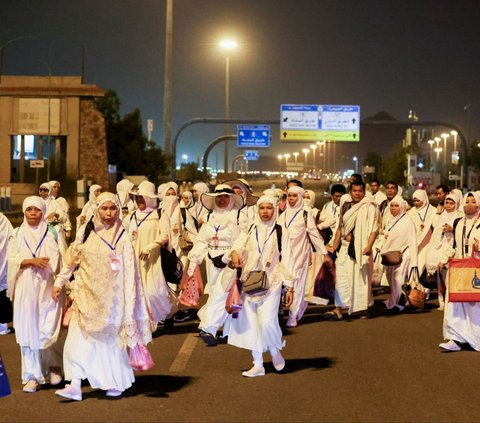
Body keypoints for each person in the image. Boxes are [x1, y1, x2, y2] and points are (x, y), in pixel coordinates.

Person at [52, 192, 152, 401]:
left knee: (109, 347)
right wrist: (59, 282)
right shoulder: (86, 233)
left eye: (113, 208)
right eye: (104, 208)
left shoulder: (123, 238)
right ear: (96, 210)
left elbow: (130, 275)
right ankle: (75, 384)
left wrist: (129, 308)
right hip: (85, 298)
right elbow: (72, 261)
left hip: (112, 303)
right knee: (75, 343)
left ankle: (115, 381)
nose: (108, 213)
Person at [226, 196, 294, 377]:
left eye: (269, 208)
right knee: (252, 323)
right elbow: (236, 246)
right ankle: (258, 364)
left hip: (273, 281)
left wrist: (289, 287)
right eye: (262, 208)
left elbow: (288, 259)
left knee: (267, 321)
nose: (265, 211)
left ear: (275, 210)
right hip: (250, 281)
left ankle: (274, 349)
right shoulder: (249, 228)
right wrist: (234, 254)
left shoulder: (281, 232)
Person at [7, 196, 64, 393]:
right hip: (26, 288)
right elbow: (11, 260)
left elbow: (61, 259)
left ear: (43, 211)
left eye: (36, 210)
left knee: (48, 327)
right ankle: (32, 375)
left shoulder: (52, 232)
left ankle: (53, 367)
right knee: (28, 328)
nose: (32, 213)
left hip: (48, 287)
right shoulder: (17, 233)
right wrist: (31, 261)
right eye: (29, 209)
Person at [187, 184, 244, 346]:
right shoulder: (210, 217)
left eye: (226, 196)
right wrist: (195, 258)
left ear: (232, 198)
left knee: (222, 293)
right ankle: (227, 332)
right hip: (211, 261)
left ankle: (208, 327)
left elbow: (242, 239)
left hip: (230, 262)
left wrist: (228, 256)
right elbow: (202, 240)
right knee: (215, 294)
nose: (222, 200)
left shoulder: (239, 216)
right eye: (219, 197)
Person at [326, 181, 380, 320]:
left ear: (364, 192)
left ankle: (363, 308)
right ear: (350, 192)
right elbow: (340, 228)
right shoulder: (345, 206)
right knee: (342, 279)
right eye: (354, 191)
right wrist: (334, 247)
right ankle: (338, 308)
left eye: (360, 191)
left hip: (361, 249)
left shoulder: (370, 207)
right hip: (345, 249)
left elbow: (374, 229)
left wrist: (369, 246)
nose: (357, 193)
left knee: (361, 280)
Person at [279, 186, 331, 327]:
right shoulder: (282, 214)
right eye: (289, 196)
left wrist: (324, 253)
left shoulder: (305, 213)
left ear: (300, 197)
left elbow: (313, 234)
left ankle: (293, 315)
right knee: (285, 284)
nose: (291, 199)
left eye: (295, 196)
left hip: (300, 254)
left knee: (298, 285)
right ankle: (285, 310)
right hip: (284, 256)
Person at [124, 181, 174, 325]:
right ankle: (147, 325)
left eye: (142, 197)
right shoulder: (132, 215)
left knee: (154, 293)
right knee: (137, 293)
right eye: (137, 197)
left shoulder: (159, 214)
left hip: (153, 260)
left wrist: (150, 247)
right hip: (134, 260)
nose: (139, 200)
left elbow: (165, 235)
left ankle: (167, 314)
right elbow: (123, 233)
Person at [438, 191, 480, 352]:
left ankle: (475, 338)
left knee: (474, 306)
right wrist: (443, 258)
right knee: (454, 304)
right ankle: (455, 338)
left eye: (473, 201)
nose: (469, 204)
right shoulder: (458, 222)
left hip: (476, 270)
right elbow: (454, 245)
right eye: (467, 201)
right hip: (458, 269)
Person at [377, 195, 418, 312]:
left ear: (401, 207)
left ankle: (397, 305)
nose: (393, 208)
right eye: (392, 206)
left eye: (396, 206)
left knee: (398, 279)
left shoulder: (407, 221)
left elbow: (412, 240)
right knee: (392, 280)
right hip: (391, 255)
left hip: (404, 255)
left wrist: (414, 262)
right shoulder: (391, 220)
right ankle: (395, 301)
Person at [425, 191, 462, 311]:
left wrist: (452, 229)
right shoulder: (441, 216)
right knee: (439, 278)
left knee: (448, 279)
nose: (449, 205)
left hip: (451, 249)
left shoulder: (459, 217)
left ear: (456, 204)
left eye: (452, 203)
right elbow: (435, 234)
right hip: (438, 249)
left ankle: (449, 303)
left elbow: (459, 234)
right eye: (447, 202)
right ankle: (441, 302)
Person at [407, 189, 437, 278]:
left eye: (418, 200)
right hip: (414, 242)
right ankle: (414, 287)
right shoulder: (411, 212)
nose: (416, 203)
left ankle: (423, 290)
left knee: (422, 265)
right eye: (414, 201)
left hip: (428, 243)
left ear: (424, 199)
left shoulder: (433, 211)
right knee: (412, 266)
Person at [0, 213, 14, 335]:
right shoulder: (3, 219)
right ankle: (3, 326)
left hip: (3, 261)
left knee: (2, 293)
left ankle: (3, 326)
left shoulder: (3, 220)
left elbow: (12, 238)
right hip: (3, 261)